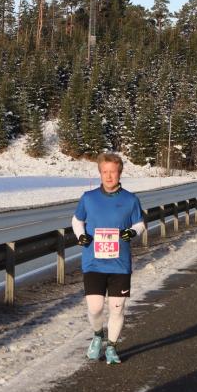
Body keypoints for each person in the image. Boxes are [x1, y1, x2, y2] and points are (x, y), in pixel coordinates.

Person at [71, 153, 145, 365]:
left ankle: (111, 346)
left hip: (119, 264)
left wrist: (132, 232)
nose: (109, 176)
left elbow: (139, 224)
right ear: (100, 173)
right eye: (105, 172)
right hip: (93, 261)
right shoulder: (88, 197)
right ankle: (97, 335)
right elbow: (77, 220)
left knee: (117, 307)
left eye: (113, 172)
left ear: (119, 173)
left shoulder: (130, 200)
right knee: (95, 307)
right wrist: (81, 236)